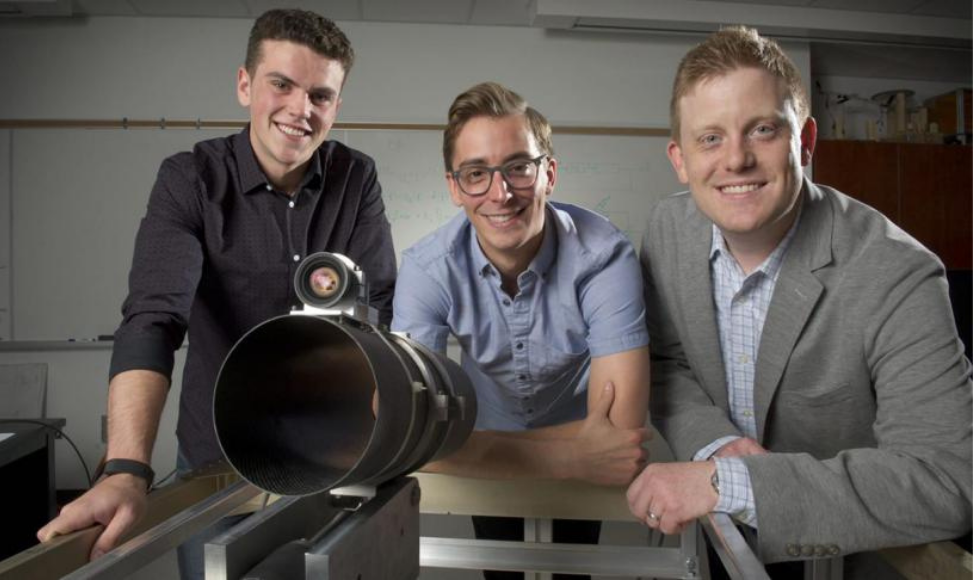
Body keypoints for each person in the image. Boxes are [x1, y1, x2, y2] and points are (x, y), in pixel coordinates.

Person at [37, 9, 397, 579]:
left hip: (331, 456)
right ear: (245, 85)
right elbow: (153, 319)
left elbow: (375, 316)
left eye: (321, 96)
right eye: (282, 84)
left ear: (336, 106)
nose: (301, 110)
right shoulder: (190, 180)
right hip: (215, 457)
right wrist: (126, 469)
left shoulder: (357, 178)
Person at [626, 25, 972, 577]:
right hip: (716, 533)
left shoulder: (897, 273)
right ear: (680, 159)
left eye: (761, 130)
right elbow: (668, 361)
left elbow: (949, 480)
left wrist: (728, 482)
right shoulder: (669, 228)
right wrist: (716, 446)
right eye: (710, 138)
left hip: (842, 550)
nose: (735, 160)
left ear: (805, 141)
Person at [391, 81, 651, 580]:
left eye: (518, 167)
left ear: (549, 173)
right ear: (454, 187)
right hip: (542, 444)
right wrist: (574, 455)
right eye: (476, 174)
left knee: (572, 571)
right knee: (501, 571)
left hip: (494, 450)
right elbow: (413, 431)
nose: (500, 193)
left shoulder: (606, 256)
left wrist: (466, 449)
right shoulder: (427, 268)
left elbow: (620, 435)